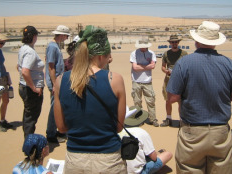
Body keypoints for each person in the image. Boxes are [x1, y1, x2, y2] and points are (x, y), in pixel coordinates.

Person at [167, 21, 232, 173]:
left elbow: (172, 98)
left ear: (197, 41)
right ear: (215, 42)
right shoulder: (229, 64)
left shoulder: (184, 63)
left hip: (192, 133)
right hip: (220, 133)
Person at [54, 25, 127, 173]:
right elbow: (118, 127)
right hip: (109, 160)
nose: (109, 59)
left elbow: (61, 127)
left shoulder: (61, 80)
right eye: (108, 55)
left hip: (75, 160)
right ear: (100, 56)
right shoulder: (115, 79)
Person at [121, 106, 172, 174]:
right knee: (168, 154)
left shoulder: (119, 131)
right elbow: (154, 158)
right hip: (138, 171)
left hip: (122, 169)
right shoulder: (142, 133)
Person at [18, 25, 45, 138]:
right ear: (34, 36)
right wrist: (34, 87)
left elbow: (19, 67)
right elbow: (25, 71)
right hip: (31, 90)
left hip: (24, 86)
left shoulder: (23, 48)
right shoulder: (29, 52)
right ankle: (29, 146)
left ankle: (28, 140)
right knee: (31, 118)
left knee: (28, 116)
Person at [45, 25, 70, 144]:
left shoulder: (55, 46)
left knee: (58, 107)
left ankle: (55, 131)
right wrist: (55, 84)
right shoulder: (52, 47)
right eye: (66, 35)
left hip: (58, 82)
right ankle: (50, 133)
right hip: (55, 83)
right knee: (54, 108)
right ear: (61, 35)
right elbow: (51, 67)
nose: (66, 38)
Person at [160, 34, 187, 127]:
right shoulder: (166, 54)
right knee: (168, 100)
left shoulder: (184, 53)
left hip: (181, 79)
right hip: (169, 79)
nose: (174, 43)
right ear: (170, 43)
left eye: (176, 42)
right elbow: (163, 67)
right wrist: (166, 71)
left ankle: (182, 120)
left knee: (181, 100)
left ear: (178, 43)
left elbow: (187, 66)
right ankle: (168, 118)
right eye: (172, 42)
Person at [130, 39, 158, 127]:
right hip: (136, 81)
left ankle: (153, 119)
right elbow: (135, 67)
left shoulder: (151, 53)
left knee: (151, 101)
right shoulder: (134, 53)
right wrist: (147, 66)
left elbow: (153, 66)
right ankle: (139, 119)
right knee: (137, 101)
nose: (142, 48)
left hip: (147, 81)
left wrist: (141, 66)